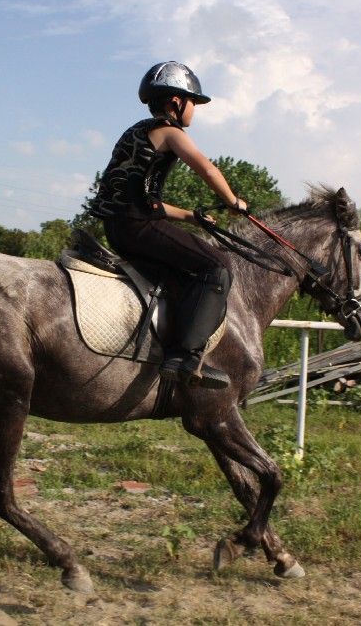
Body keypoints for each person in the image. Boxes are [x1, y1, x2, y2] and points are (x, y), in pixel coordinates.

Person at [89, 61, 247, 389]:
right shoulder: (171, 132)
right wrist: (234, 202)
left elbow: (148, 199)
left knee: (184, 275)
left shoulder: (138, 132)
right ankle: (185, 356)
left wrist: (192, 216)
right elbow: (207, 169)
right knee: (218, 265)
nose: (195, 111)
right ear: (176, 102)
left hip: (120, 228)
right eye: (194, 103)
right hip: (139, 227)